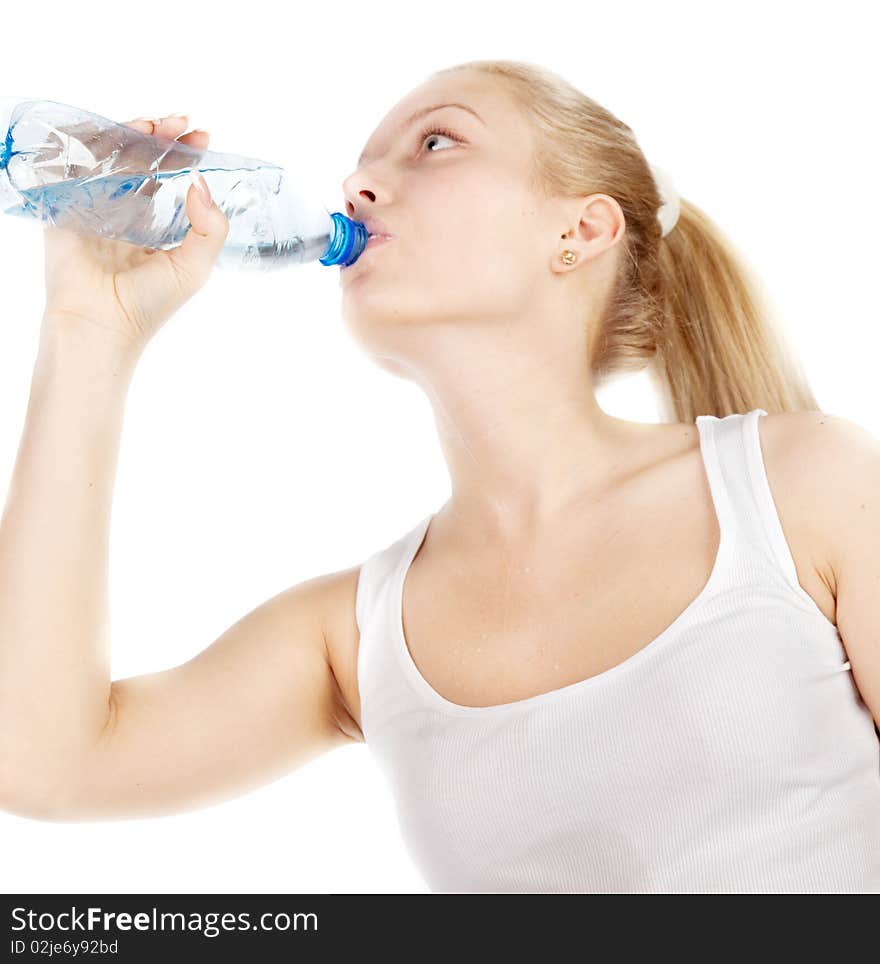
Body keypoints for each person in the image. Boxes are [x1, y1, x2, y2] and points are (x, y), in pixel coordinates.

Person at [1, 60, 879, 894]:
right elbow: (46, 764)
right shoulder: (358, 636)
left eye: (435, 143)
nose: (357, 187)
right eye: (360, 166)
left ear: (579, 230)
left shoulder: (804, 486)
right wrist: (88, 330)